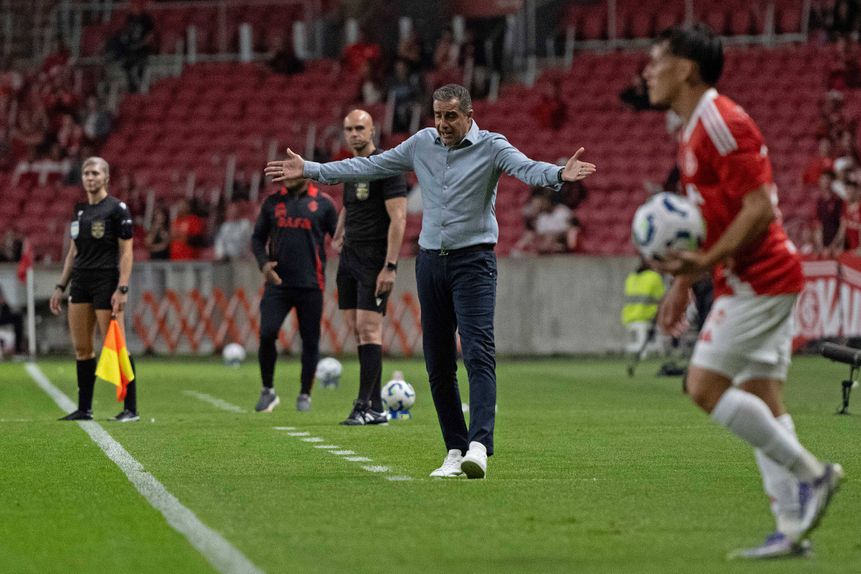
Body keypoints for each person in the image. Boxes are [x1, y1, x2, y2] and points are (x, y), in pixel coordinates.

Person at [265, 83, 596, 479]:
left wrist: (559, 173)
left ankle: (479, 445)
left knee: (477, 352)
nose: (442, 124)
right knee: (437, 364)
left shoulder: (492, 146)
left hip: (473, 263)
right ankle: (454, 449)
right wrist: (313, 169)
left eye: (451, 116)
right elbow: (368, 166)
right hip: (430, 264)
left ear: (469, 116)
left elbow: (527, 167)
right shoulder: (421, 143)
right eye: (438, 116)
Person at [644, 24, 843, 559]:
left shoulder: (720, 120)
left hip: (761, 277)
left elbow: (760, 208)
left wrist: (703, 265)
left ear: (686, 68)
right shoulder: (688, 129)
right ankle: (790, 529)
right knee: (762, 399)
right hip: (749, 276)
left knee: (703, 386)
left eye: (656, 60)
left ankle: (813, 474)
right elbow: (710, 218)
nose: (647, 71)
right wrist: (685, 282)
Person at [330, 109, 408, 426]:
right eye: (349, 129)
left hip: (374, 258)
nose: (354, 134)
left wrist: (389, 266)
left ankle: (364, 405)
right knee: (354, 327)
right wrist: (339, 230)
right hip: (349, 255)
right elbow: (350, 204)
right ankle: (376, 405)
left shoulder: (387, 167)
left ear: (372, 130)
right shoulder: (352, 167)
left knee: (369, 328)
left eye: (360, 128)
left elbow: (399, 218)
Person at [49, 156, 138, 422]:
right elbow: (72, 253)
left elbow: (127, 253)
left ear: (106, 178)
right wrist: (60, 286)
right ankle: (84, 409)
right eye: (86, 173)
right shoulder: (79, 211)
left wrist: (122, 288)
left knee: (117, 344)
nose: (90, 177)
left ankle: (131, 408)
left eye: (95, 173)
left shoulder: (117, 209)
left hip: (106, 283)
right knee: (82, 348)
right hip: (81, 282)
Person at [250, 175, 337, 413]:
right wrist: (264, 265)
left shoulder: (324, 204)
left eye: (292, 171)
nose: (286, 177)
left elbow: (339, 239)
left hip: (311, 283)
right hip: (277, 284)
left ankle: (304, 395)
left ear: (304, 173)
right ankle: (268, 390)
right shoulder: (272, 203)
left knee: (310, 341)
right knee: (267, 333)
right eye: (284, 172)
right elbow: (257, 239)